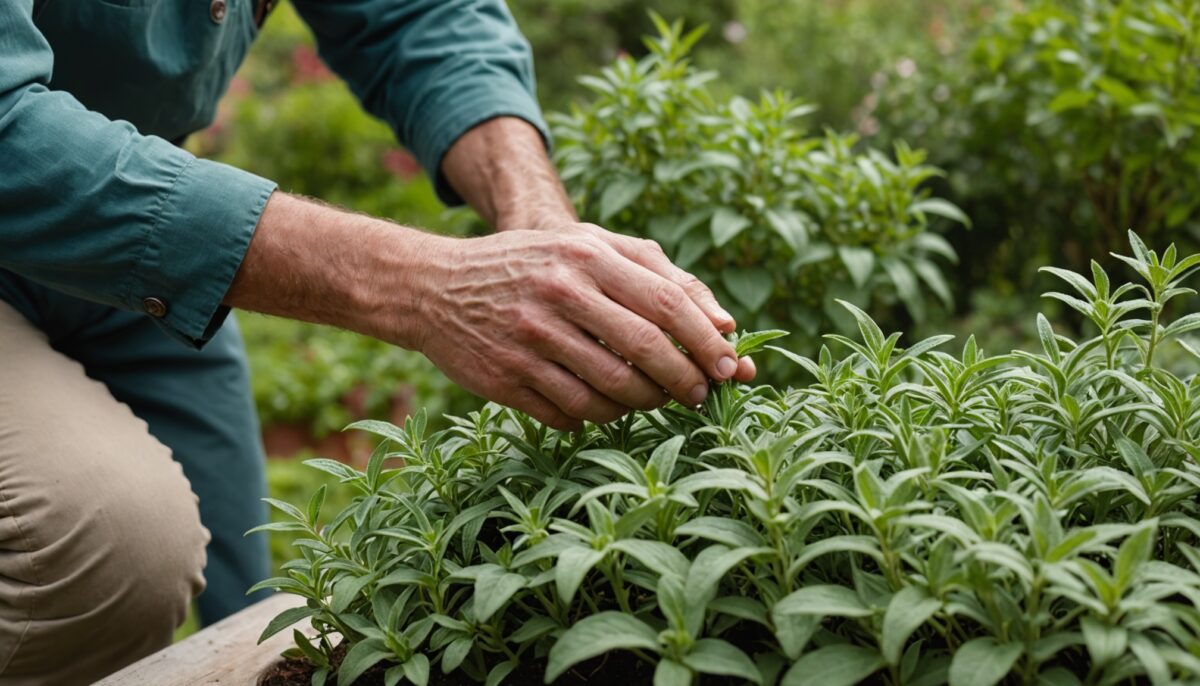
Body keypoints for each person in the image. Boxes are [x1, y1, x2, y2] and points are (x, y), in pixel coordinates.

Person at [0, 1, 755, 682]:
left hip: (125, 241)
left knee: (254, 597)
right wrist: (431, 286)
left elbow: (417, 16)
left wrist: (538, 219)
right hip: (46, 206)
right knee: (114, 542)